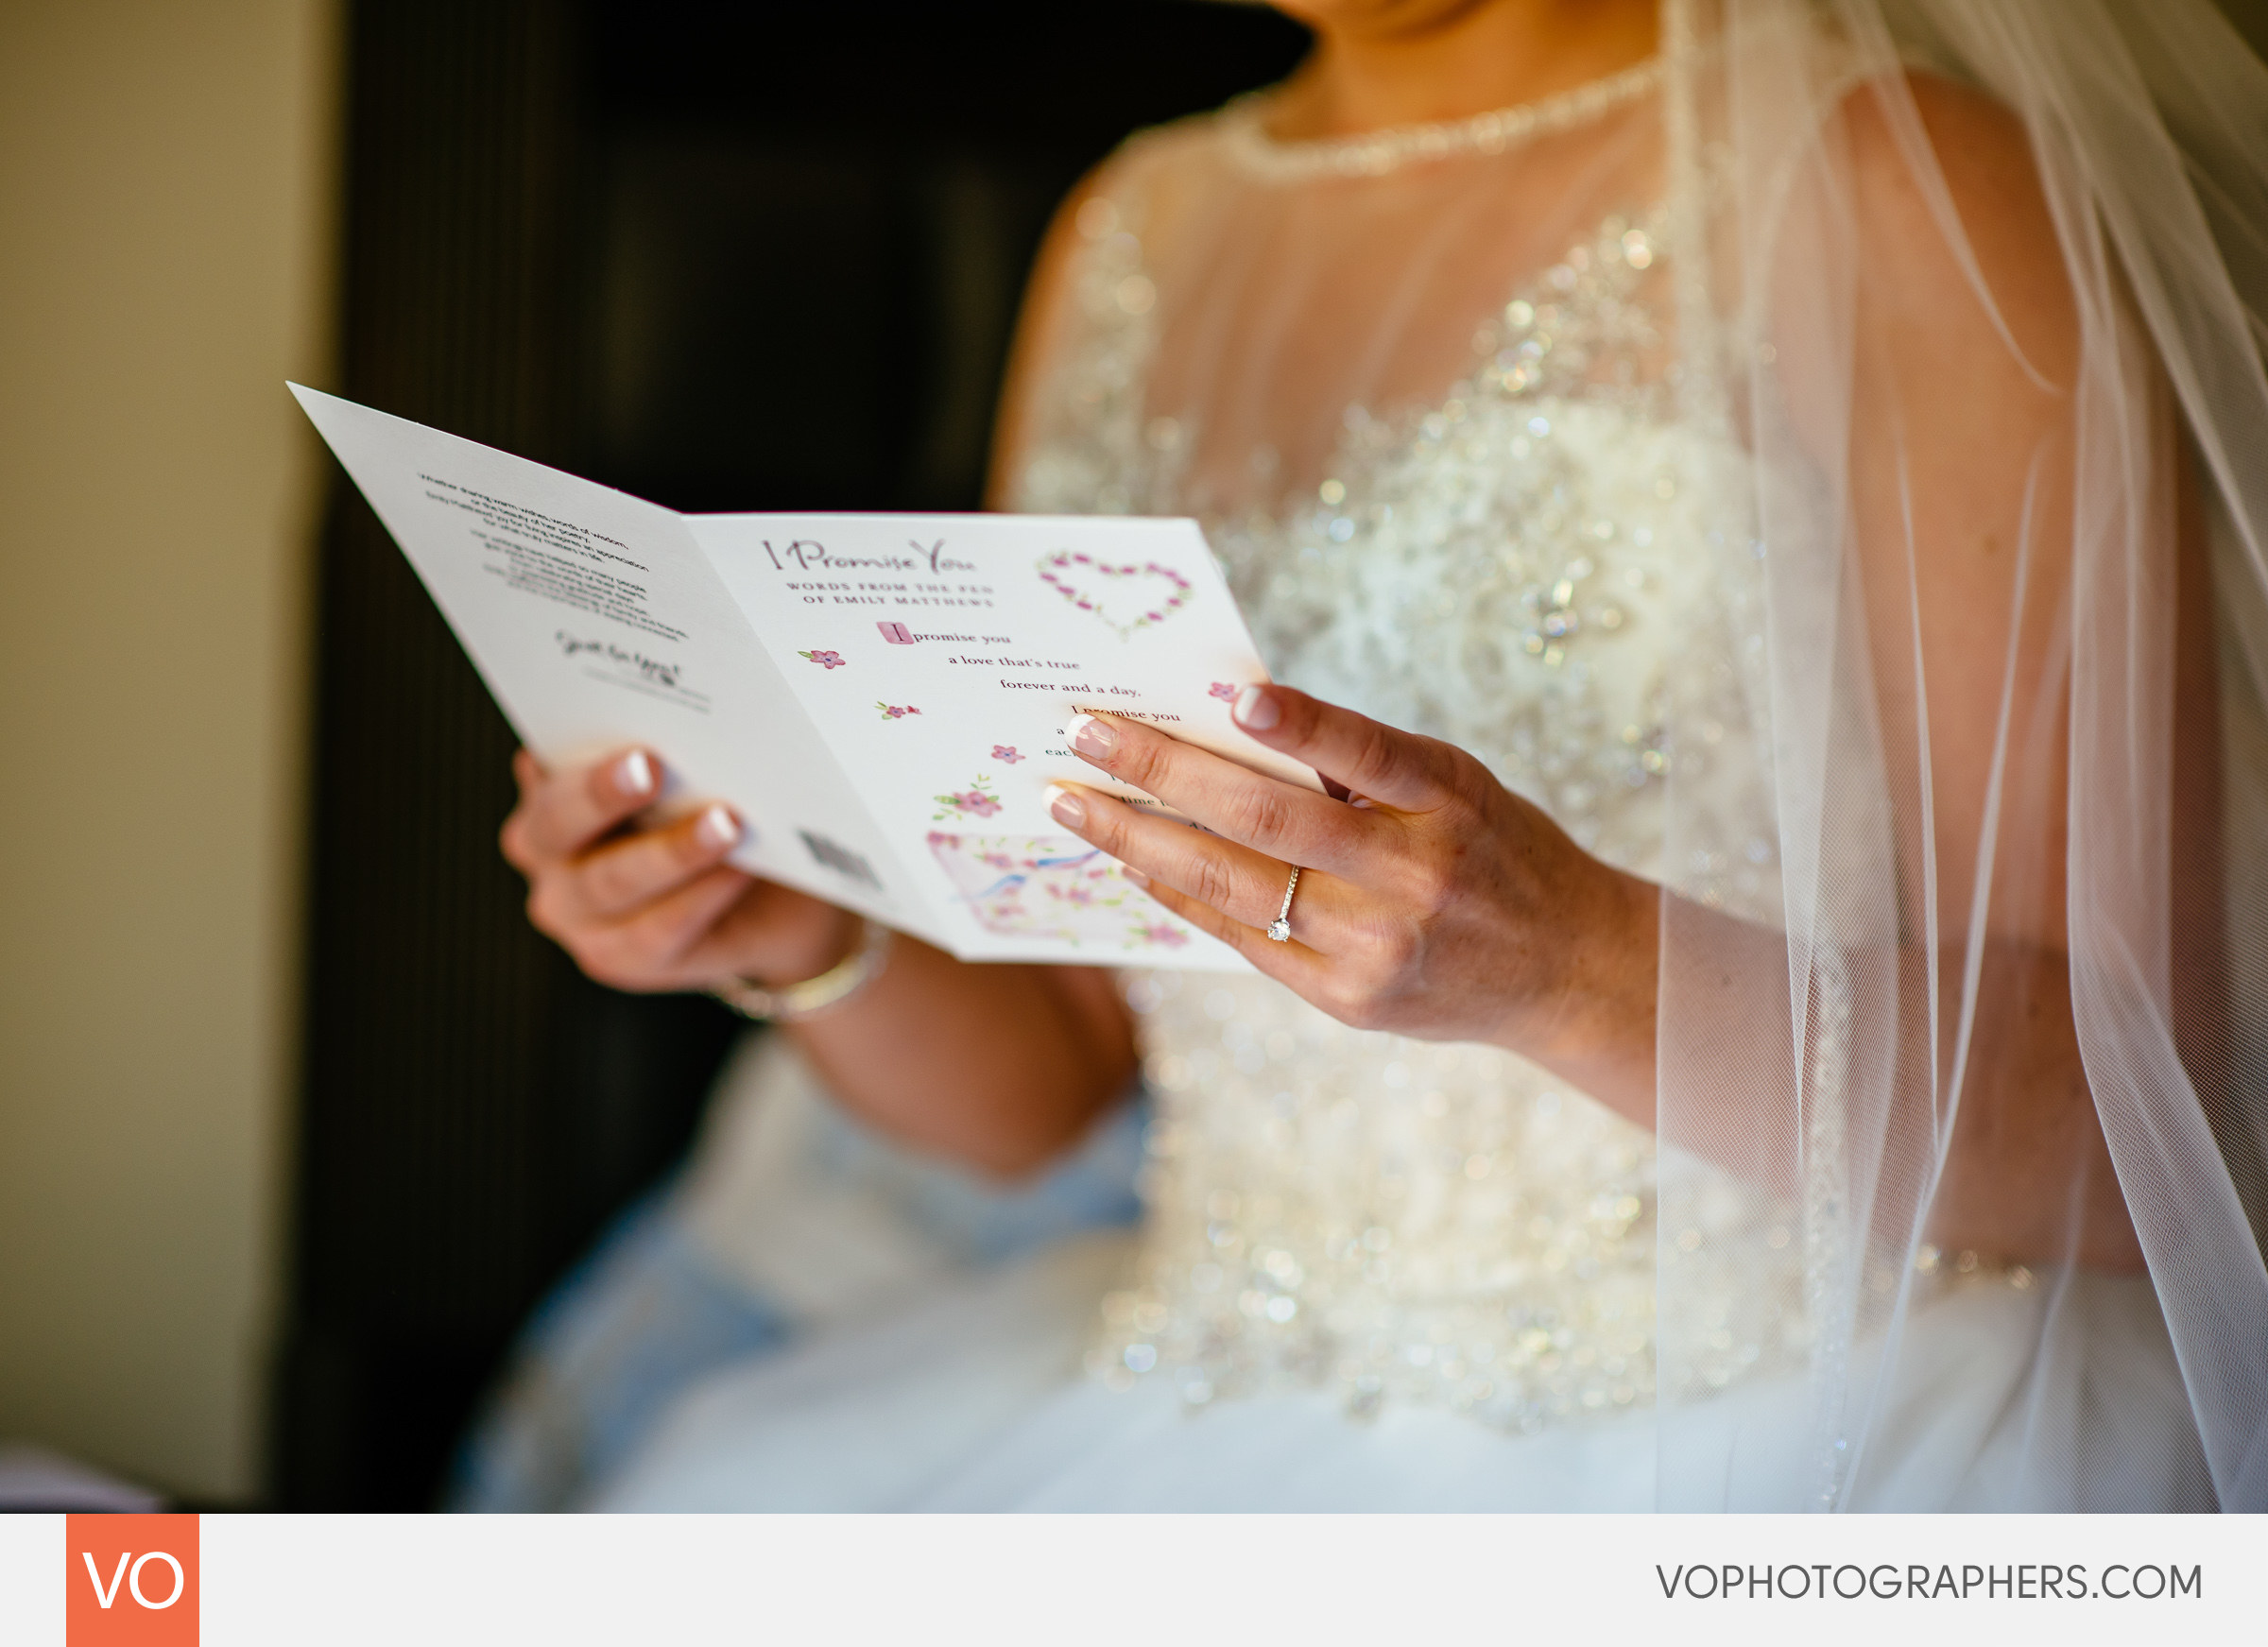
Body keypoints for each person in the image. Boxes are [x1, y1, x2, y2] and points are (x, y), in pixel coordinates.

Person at [495, 0, 2268, 1510]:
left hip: (1797, 1432)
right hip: (1191, 1417)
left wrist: (1571, 968)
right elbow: (1056, 1075)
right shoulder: (1130, 227)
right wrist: (793, 933)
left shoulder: (1895, 184)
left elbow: (2149, 1133)